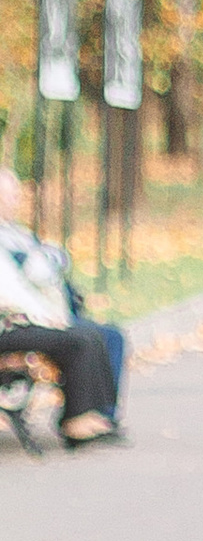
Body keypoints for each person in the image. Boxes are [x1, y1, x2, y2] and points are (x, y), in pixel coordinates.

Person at [0, 168, 123, 443]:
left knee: (98, 334)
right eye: (7, 195)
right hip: (10, 324)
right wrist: (44, 316)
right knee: (80, 338)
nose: (13, 201)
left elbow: (50, 260)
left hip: (26, 317)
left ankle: (94, 416)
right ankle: (75, 420)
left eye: (14, 195)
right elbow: (10, 292)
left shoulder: (17, 233)